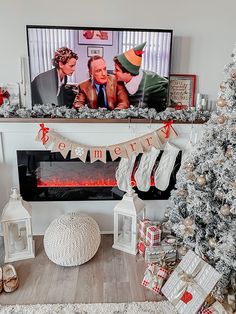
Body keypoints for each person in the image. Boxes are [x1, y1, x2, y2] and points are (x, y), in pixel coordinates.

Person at [113, 42, 168, 112]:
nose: (114, 72)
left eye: (117, 70)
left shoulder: (149, 87)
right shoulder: (123, 81)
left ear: (128, 72)